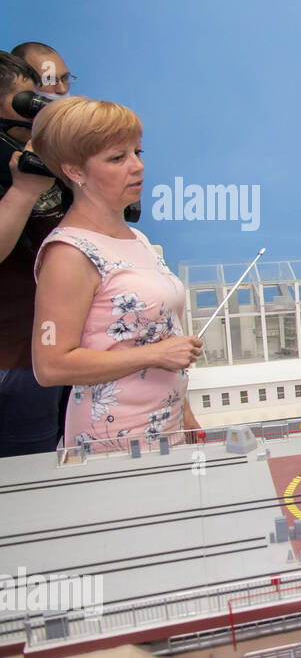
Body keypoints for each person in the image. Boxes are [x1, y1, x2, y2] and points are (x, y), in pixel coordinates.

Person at [30, 97, 203, 452]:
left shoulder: (137, 238)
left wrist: (186, 417)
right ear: (75, 171)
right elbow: (50, 366)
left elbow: (164, 336)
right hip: (113, 444)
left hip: (164, 433)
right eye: (117, 158)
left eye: (137, 152)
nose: (137, 166)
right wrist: (154, 355)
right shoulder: (69, 253)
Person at [0, 51, 67, 456]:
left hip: (47, 359)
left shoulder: (41, 157)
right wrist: (23, 191)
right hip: (12, 362)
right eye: (28, 101)